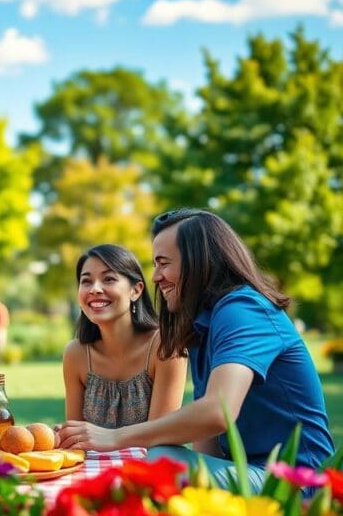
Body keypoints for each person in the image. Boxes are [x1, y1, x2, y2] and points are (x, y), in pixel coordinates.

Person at [57, 209, 334, 492]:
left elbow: (217, 411)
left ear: (199, 261)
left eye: (163, 263)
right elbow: (207, 440)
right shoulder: (204, 325)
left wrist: (114, 437)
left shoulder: (245, 310)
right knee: (164, 459)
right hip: (248, 473)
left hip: (298, 484)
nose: (156, 277)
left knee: (159, 462)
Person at [61, 244, 187, 430]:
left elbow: (161, 436)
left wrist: (108, 440)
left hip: (152, 459)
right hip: (93, 460)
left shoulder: (166, 346)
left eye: (109, 279)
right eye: (86, 281)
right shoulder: (76, 354)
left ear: (136, 290)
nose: (94, 289)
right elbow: (76, 442)